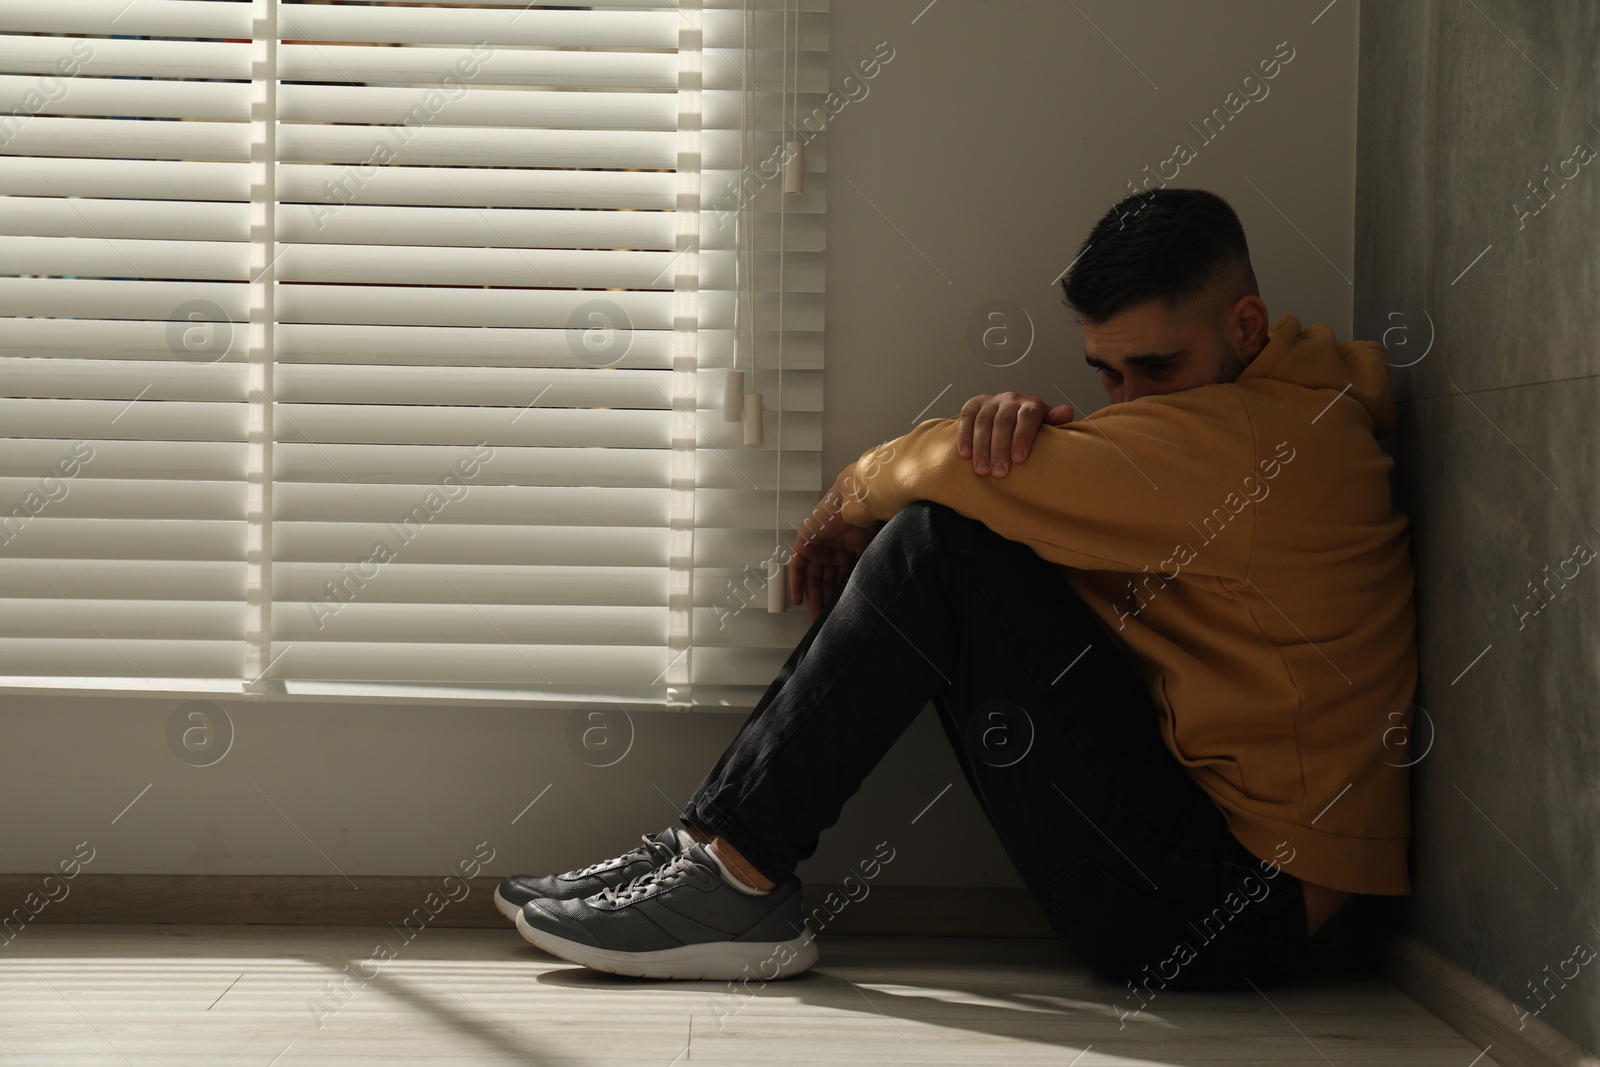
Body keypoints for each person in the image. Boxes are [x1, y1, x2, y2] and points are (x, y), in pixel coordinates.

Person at [496, 187, 1418, 990]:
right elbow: (1038, 503)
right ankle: (713, 850)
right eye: (1105, 372)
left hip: (1236, 913)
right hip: (1238, 880)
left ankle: (729, 870)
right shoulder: (1278, 414)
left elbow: (963, 478)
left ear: (1246, 326)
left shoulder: (1267, 443)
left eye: (1156, 369)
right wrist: (1019, 444)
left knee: (943, 541)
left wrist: (853, 495)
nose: (1128, 403)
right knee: (964, 540)